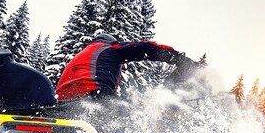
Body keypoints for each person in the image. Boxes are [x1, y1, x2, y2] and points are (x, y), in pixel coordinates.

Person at [55, 34, 194, 101]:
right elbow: (145, 48)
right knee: (134, 119)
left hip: (62, 101)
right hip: (93, 94)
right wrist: (177, 58)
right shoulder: (108, 49)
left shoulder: (83, 55)